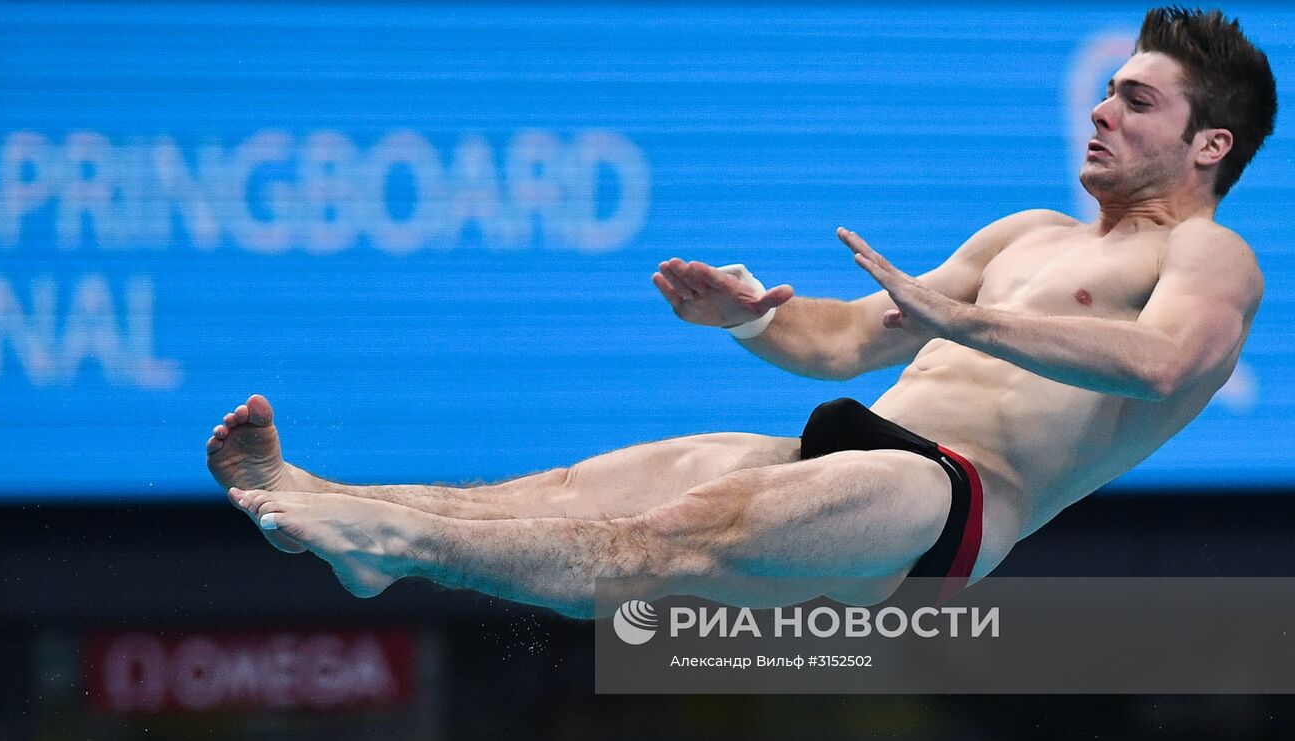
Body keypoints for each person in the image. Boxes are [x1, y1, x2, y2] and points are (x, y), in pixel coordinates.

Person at [205, 7, 1277, 618]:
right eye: (1106, 89)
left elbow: (1157, 364)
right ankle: (337, 505)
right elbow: (850, 341)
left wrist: (961, 323)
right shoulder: (1022, 234)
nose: (1098, 106)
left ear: (1208, 146)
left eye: (1134, 99)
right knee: (573, 487)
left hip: (945, 500)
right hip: (848, 450)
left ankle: (393, 540)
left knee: (662, 542)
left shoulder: (1208, 254)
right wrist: (752, 322)